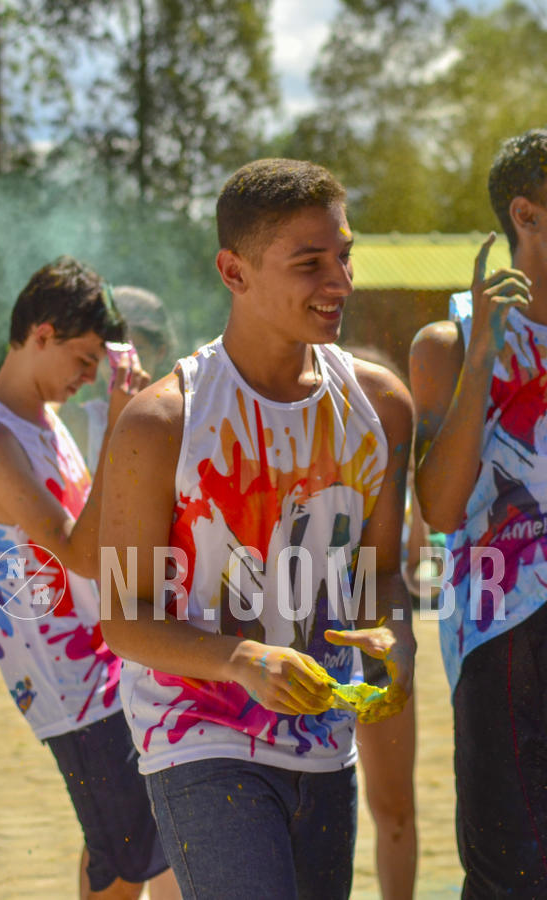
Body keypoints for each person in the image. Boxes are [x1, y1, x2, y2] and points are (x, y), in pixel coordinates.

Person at [99, 158, 417, 898]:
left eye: (345, 255)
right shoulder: (161, 422)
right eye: (310, 264)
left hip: (324, 746)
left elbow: (379, 575)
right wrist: (242, 659)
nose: (341, 282)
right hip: (198, 740)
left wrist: (395, 638)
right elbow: (123, 617)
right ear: (233, 272)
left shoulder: (381, 407)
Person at [0, 257, 179, 899]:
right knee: (131, 858)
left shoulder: (45, 422)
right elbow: (80, 553)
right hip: (70, 689)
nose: (88, 377)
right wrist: (122, 426)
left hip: (104, 669)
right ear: (42, 333)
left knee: (115, 857)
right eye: (83, 359)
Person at [409, 129, 545, 898]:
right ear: (526, 215)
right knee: (514, 878)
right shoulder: (449, 342)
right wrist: (485, 355)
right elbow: (440, 506)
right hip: (503, 640)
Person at [343, 343, 418, 900]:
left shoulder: (392, 474)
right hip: (297, 639)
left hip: (375, 644)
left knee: (393, 809)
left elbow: (401, 567)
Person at [60, 285, 174, 474]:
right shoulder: (81, 421)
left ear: (160, 352)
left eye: (138, 351)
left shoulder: (178, 418)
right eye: (114, 353)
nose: (125, 365)